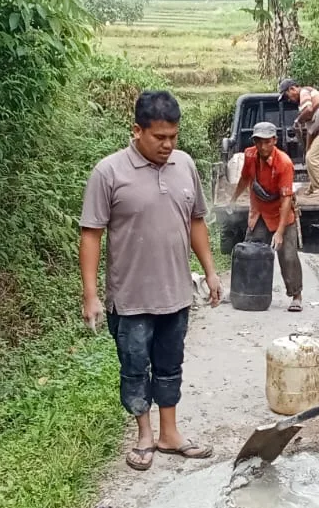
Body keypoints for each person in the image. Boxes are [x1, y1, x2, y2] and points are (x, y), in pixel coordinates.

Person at [80, 90, 223, 472]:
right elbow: (91, 233)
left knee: (169, 364)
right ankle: (144, 436)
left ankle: (169, 433)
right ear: (137, 130)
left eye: (173, 137)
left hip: (175, 293)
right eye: (159, 137)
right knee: (134, 366)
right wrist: (91, 294)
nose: (168, 145)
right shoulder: (108, 173)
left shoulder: (185, 165)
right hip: (130, 298)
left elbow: (196, 221)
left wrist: (210, 270)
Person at [230, 121, 304, 312]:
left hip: (281, 213)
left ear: (274, 140)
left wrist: (279, 232)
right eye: (259, 142)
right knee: (250, 252)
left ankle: (296, 295)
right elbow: (245, 178)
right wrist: (233, 199)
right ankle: (245, 291)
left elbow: (286, 199)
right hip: (259, 212)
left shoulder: (284, 163)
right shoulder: (249, 155)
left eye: (267, 142)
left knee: (288, 255)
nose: (263, 146)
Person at [278, 78, 319, 197]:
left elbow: (309, 109)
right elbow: (310, 132)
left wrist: (297, 121)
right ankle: (314, 187)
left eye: (287, 96)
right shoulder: (302, 106)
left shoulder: (304, 92)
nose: (289, 100)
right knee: (310, 157)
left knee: (313, 159)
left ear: (292, 89)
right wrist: (306, 150)